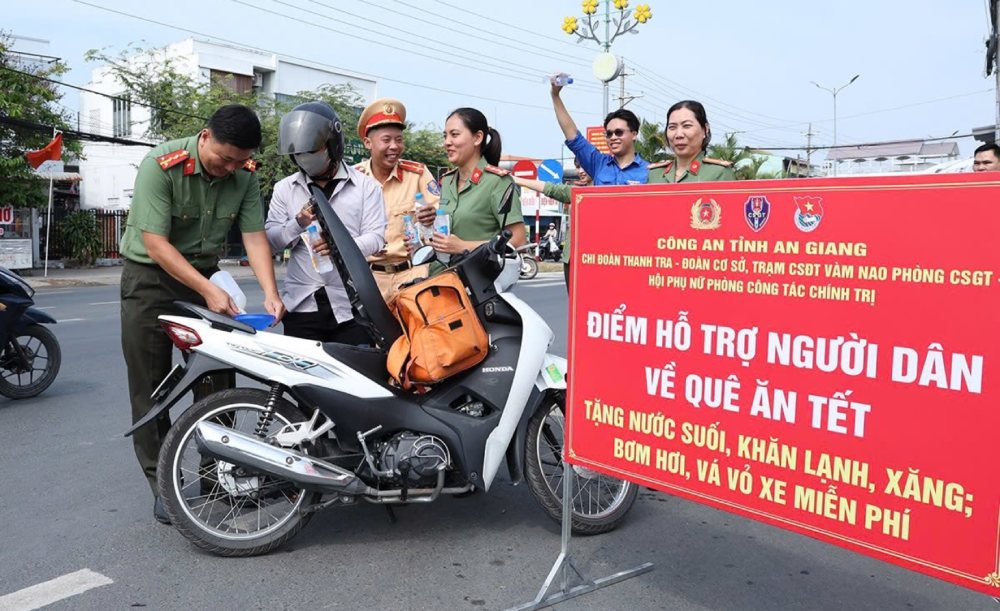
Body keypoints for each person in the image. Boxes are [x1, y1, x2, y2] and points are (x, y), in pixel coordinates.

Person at [120, 104, 285, 524]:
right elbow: (155, 243)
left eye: (238, 160)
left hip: (206, 277)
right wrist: (208, 288)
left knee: (217, 383)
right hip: (151, 281)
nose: (229, 168)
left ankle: (217, 480)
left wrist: (270, 292)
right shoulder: (160, 165)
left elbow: (254, 236)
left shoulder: (244, 176)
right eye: (223, 157)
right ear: (205, 136)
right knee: (150, 387)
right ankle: (163, 487)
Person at [266, 101, 387, 344]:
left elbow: (376, 237)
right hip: (302, 305)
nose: (305, 159)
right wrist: (297, 222)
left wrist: (339, 246)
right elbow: (271, 241)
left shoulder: (365, 187)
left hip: (351, 304)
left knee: (353, 376)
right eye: (298, 154)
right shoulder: (284, 189)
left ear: (332, 146)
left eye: (312, 151)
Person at [353, 98, 441, 300]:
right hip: (368, 277)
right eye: (386, 140)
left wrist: (433, 218)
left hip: (412, 274)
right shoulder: (354, 180)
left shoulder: (418, 174)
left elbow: (442, 219)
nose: (394, 146)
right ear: (368, 143)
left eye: (399, 139)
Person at [415, 108, 526, 266]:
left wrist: (463, 247)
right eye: (445, 136)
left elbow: (518, 240)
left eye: (454, 134)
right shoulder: (447, 181)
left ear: (477, 138)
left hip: (479, 281)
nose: (447, 142)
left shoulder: (498, 182)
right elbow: (452, 231)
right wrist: (431, 222)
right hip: (444, 277)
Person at [549, 77, 648, 185]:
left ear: (634, 134)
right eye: (609, 134)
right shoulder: (598, 163)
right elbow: (573, 137)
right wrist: (555, 96)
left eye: (619, 132)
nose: (613, 137)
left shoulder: (649, 171)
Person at [513, 157, 592, 289]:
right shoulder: (574, 191)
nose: (581, 171)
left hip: (594, 258)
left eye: (585, 167)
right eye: (578, 167)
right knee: (573, 304)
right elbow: (549, 188)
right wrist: (516, 179)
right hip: (571, 258)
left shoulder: (607, 191)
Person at [648, 100, 736, 183]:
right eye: (672, 127)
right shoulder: (654, 174)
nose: (679, 135)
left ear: (705, 129)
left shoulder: (719, 172)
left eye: (687, 126)